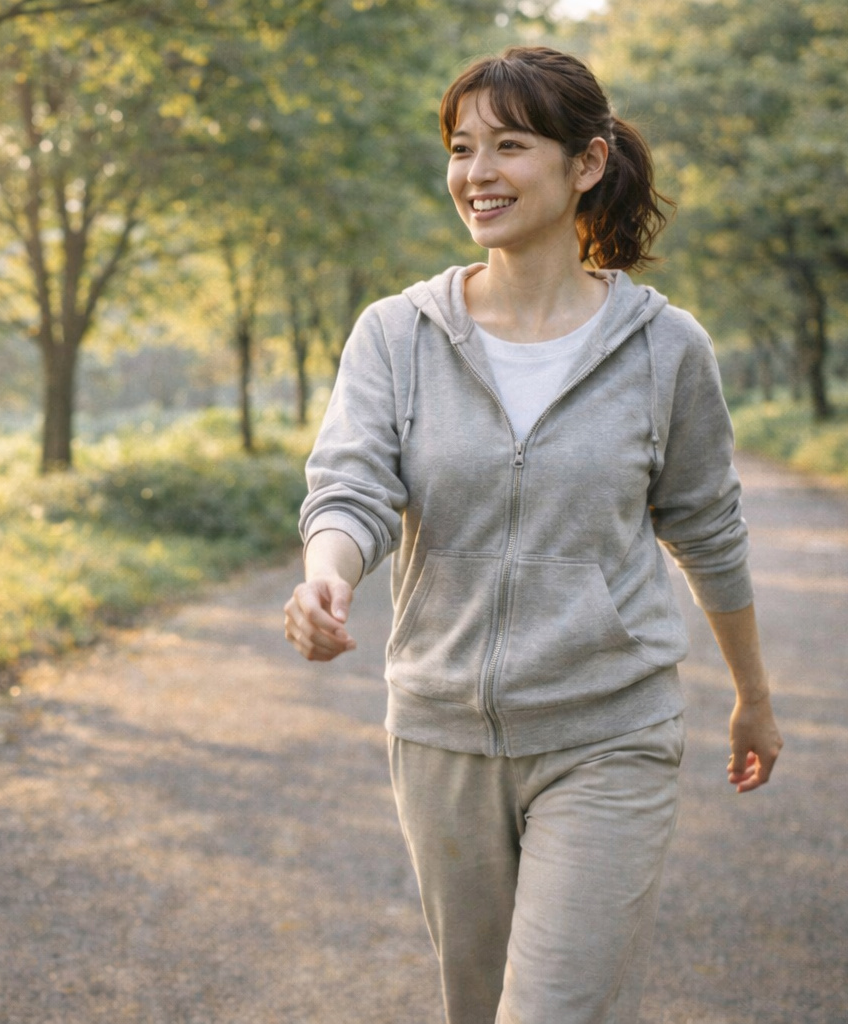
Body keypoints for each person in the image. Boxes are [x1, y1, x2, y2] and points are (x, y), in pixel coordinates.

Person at [282, 45, 784, 1024]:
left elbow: (708, 529)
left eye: (509, 145)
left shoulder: (665, 347)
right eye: (461, 148)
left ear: (585, 162)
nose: (477, 172)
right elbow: (351, 487)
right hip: (442, 739)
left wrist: (753, 698)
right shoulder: (396, 334)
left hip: (610, 733)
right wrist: (326, 573)